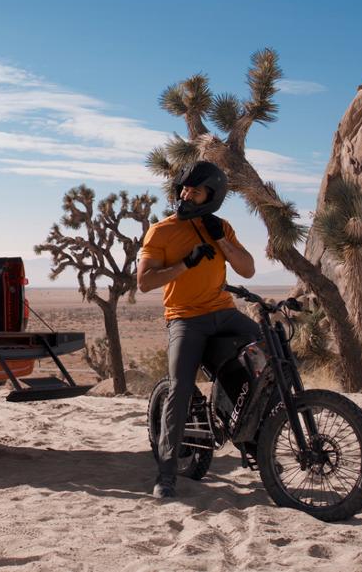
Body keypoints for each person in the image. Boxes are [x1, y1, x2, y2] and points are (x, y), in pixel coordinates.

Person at [135, 161, 258, 499]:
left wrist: (223, 242)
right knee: (180, 388)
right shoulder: (161, 231)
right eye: (184, 188)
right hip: (185, 318)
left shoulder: (221, 227)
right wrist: (184, 264)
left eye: (195, 190)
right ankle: (166, 474)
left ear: (211, 197)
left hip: (224, 313)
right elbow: (144, 282)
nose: (186, 195)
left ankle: (255, 437)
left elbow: (247, 270)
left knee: (268, 353)